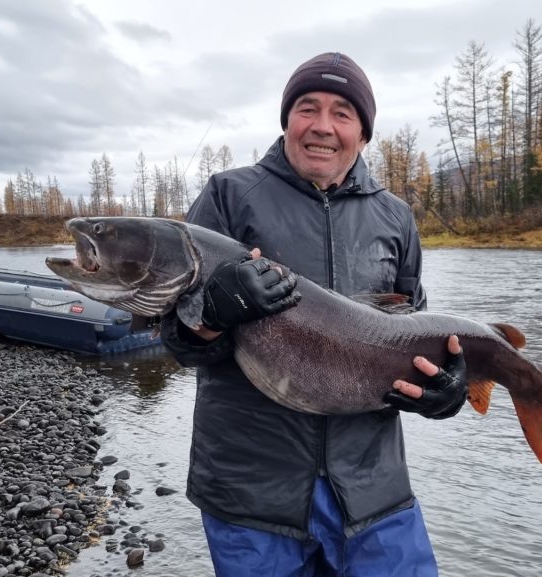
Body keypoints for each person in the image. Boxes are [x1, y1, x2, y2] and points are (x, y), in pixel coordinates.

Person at [159, 51, 468, 577]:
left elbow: (412, 325)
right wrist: (211, 313)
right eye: (307, 108)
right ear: (286, 121)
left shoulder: (395, 216)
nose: (322, 126)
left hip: (375, 492)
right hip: (251, 494)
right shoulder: (228, 196)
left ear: (363, 134)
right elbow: (177, 340)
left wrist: (445, 392)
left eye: (342, 114)